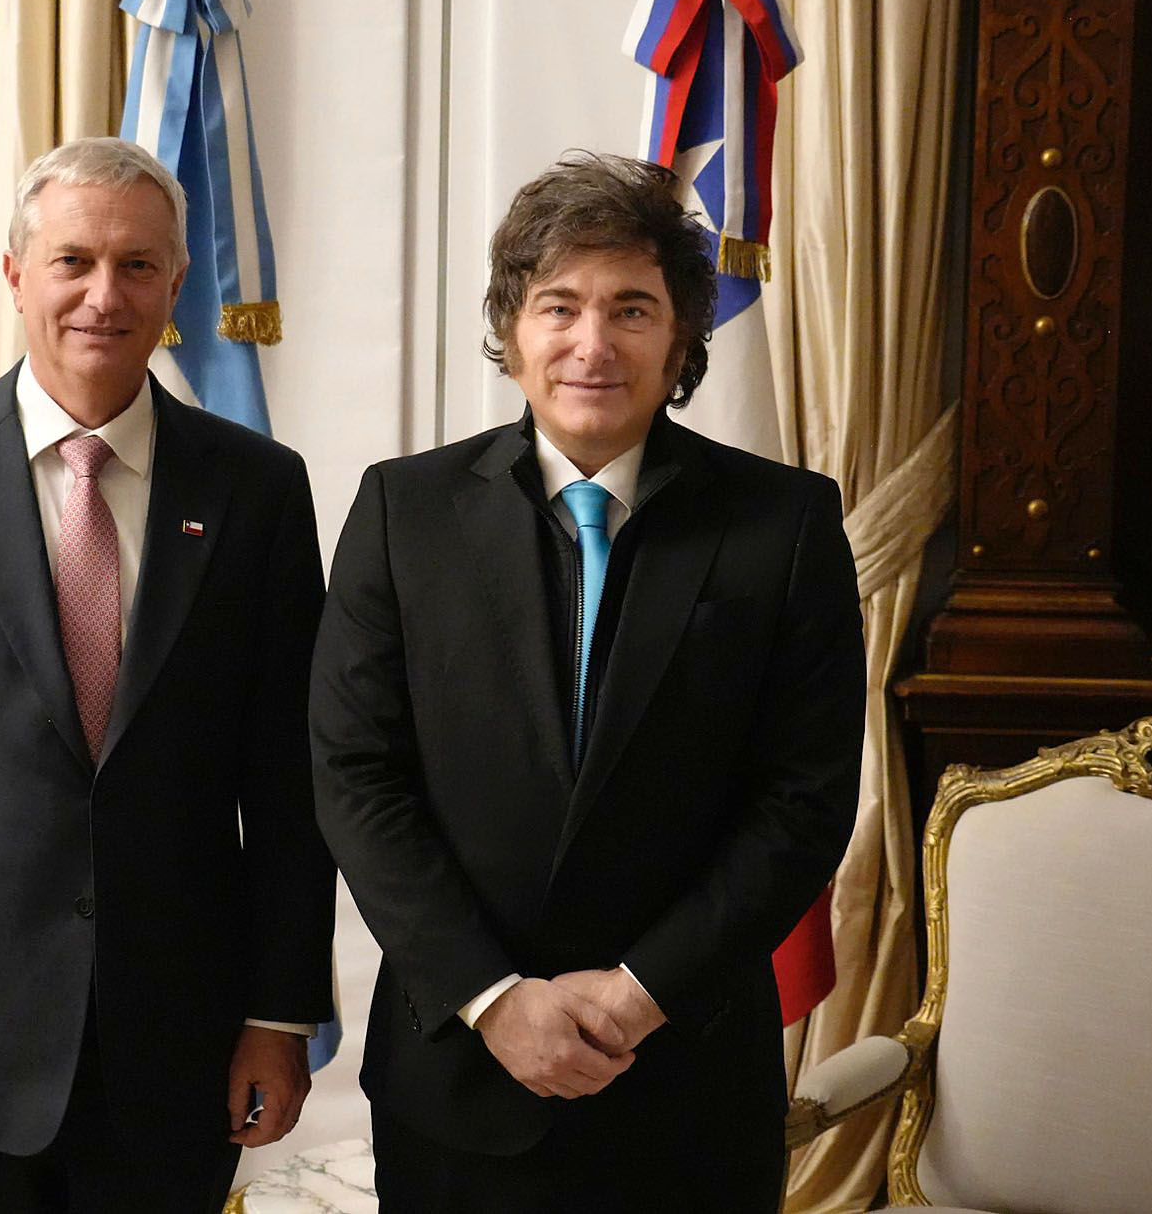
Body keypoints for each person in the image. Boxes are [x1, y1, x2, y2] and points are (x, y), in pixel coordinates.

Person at [0, 137, 335, 1212]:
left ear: (177, 285)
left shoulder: (258, 489)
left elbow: (288, 784)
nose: (103, 294)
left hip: (179, 1046)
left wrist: (278, 1014)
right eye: (72, 260)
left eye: (137, 265)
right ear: (14, 275)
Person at [310, 152, 864, 1211]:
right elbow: (353, 777)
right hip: (459, 1077)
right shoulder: (401, 513)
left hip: (686, 1075)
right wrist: (493, 998)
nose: (590, 343)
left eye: (630, 308)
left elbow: (801, 802)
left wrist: (639, 994)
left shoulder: (783, 526)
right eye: (557, 305)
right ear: (512, 330)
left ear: (680, 339)